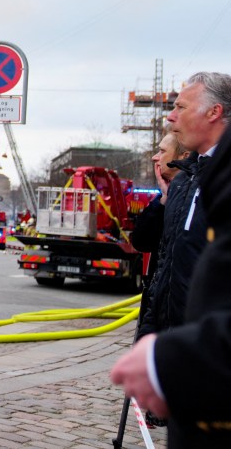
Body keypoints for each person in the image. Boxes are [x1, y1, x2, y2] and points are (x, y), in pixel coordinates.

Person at [111, 122, 231, 448]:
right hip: (168, 315)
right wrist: (163, 201)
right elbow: (146, 242)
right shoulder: (174, 192)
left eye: (162, 151)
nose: (155, 156)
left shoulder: (204, 187)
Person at [137, 72, 230, 339]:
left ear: (214, 112)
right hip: (178, 348)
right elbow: (163, 269)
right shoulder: (183, 181)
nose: (170, 116)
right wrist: (151, 339)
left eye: (181, 107)